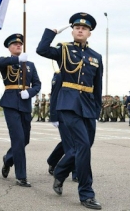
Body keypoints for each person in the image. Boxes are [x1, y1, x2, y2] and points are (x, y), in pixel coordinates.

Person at [36, 12, 103, 210]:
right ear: (72, 30)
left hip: (88, 106)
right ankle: (86, 193)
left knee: (85, 146)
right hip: (69, 105)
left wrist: (97, 111)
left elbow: (97, 86)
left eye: (84, 28)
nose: (80, 30)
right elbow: (41, 49)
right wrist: (51, 32)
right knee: (82, 146)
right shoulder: (63, 50)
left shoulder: (96, 57)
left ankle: (60, 171)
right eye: (77, 27)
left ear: (89, 33)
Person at [0, 33, 41, 187]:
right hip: (10, 103)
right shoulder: (6, 62)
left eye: (20, 44)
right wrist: (17, 59)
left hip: (25, 103)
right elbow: (0, 62)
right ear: (9, 47)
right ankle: (21, 176)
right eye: (15, 44)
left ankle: (8, 159)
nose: (18, 46)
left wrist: (29, 92)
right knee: (18, 139)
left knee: (25, 139)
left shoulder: (30, 65)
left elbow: (37, 84)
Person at [47, 71, 77, 182]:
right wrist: (54, 116)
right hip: (62, 114)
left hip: (77, 112)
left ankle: (52, 161)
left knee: (68, 142)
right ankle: (76, 172)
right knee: (71, 144)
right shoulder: (60, 75)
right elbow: (54, 95)